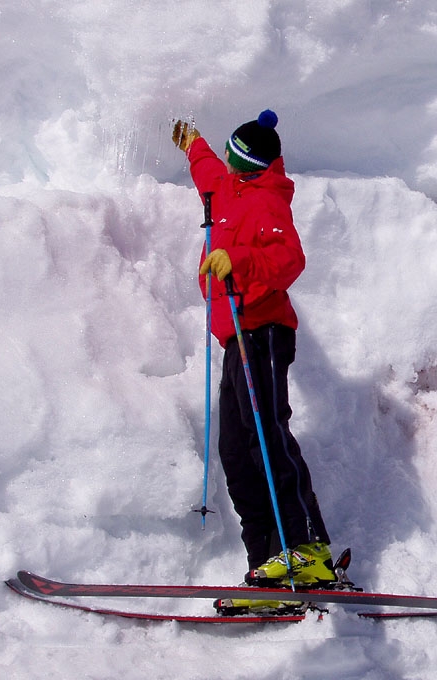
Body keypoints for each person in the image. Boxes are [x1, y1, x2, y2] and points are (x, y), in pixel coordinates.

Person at [171, 110, 336, 607]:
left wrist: (238, 261)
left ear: (247, 161)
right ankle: (266, 567)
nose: (223, 157)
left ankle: (307, 550)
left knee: (266, 435)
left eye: (230, 152)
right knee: (236, 451)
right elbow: (209, 173)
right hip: (234, 337)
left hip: (262, 331)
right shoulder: (228, 187)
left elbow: (290, 259)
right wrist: (192, 144)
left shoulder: (267, 199)